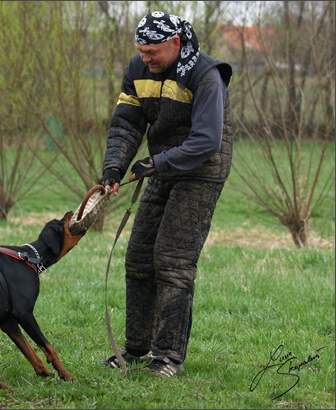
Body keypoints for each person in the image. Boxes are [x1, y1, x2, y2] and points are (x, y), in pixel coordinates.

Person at [98, 11, 233, 378]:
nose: (145, 58)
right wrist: (114, 168)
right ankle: (137, 349)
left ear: (175, 43)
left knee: (172, 260)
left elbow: (207, 140)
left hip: (201, 170)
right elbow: (127, 122)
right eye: (140, 51)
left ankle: (168, 357)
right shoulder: (139, 70)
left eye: (152, 51)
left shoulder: (206, 75)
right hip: (163, 166)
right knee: (139, 257)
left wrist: (157, 163)